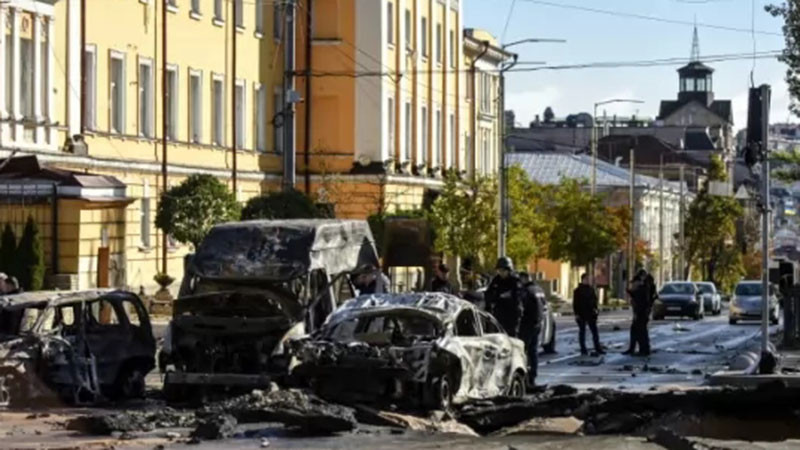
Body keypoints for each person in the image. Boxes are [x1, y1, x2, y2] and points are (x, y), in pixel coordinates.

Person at [484, 257, 524, 337]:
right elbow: (489, 293)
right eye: (499, 270)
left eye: (503, 270)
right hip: (499, 314)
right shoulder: (496, 280)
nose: (501, 273)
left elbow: (518, 297)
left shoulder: (515, 281)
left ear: (509, 270)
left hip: (512, 316)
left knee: (512, 338)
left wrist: (502, 296)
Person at [519, 272, 544, 385]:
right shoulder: (539, 289)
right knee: (533, 352)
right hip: (537, 324)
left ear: (524, 279)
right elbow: (544, 305)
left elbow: (521, 307)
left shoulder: (526, 291)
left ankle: (525, 377)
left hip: (527, 324)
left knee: (523, 351)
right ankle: (533, 376)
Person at [624, 269, 655, 356]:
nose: (634, 285)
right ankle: (636, 349)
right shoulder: (645, 287)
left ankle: (643, 350)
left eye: (635, 283)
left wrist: (637, 313)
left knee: (641, 331)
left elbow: (641, 301)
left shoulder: (644, 288)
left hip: (641, 313)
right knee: (637, 330)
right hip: (641, 312)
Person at [573, 273, 605, 355]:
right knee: (582, 331)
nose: (589, 281)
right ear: (583, 279)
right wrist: (576, 314)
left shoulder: (591, 289)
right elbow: (575, 303)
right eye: (587, 279)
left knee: (594, 331)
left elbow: (594, 300)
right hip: (582, 313)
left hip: (591, 313)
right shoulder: (578, 291)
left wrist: (596, 309)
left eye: (589, 279)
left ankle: (597, 348)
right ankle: (583, 349)